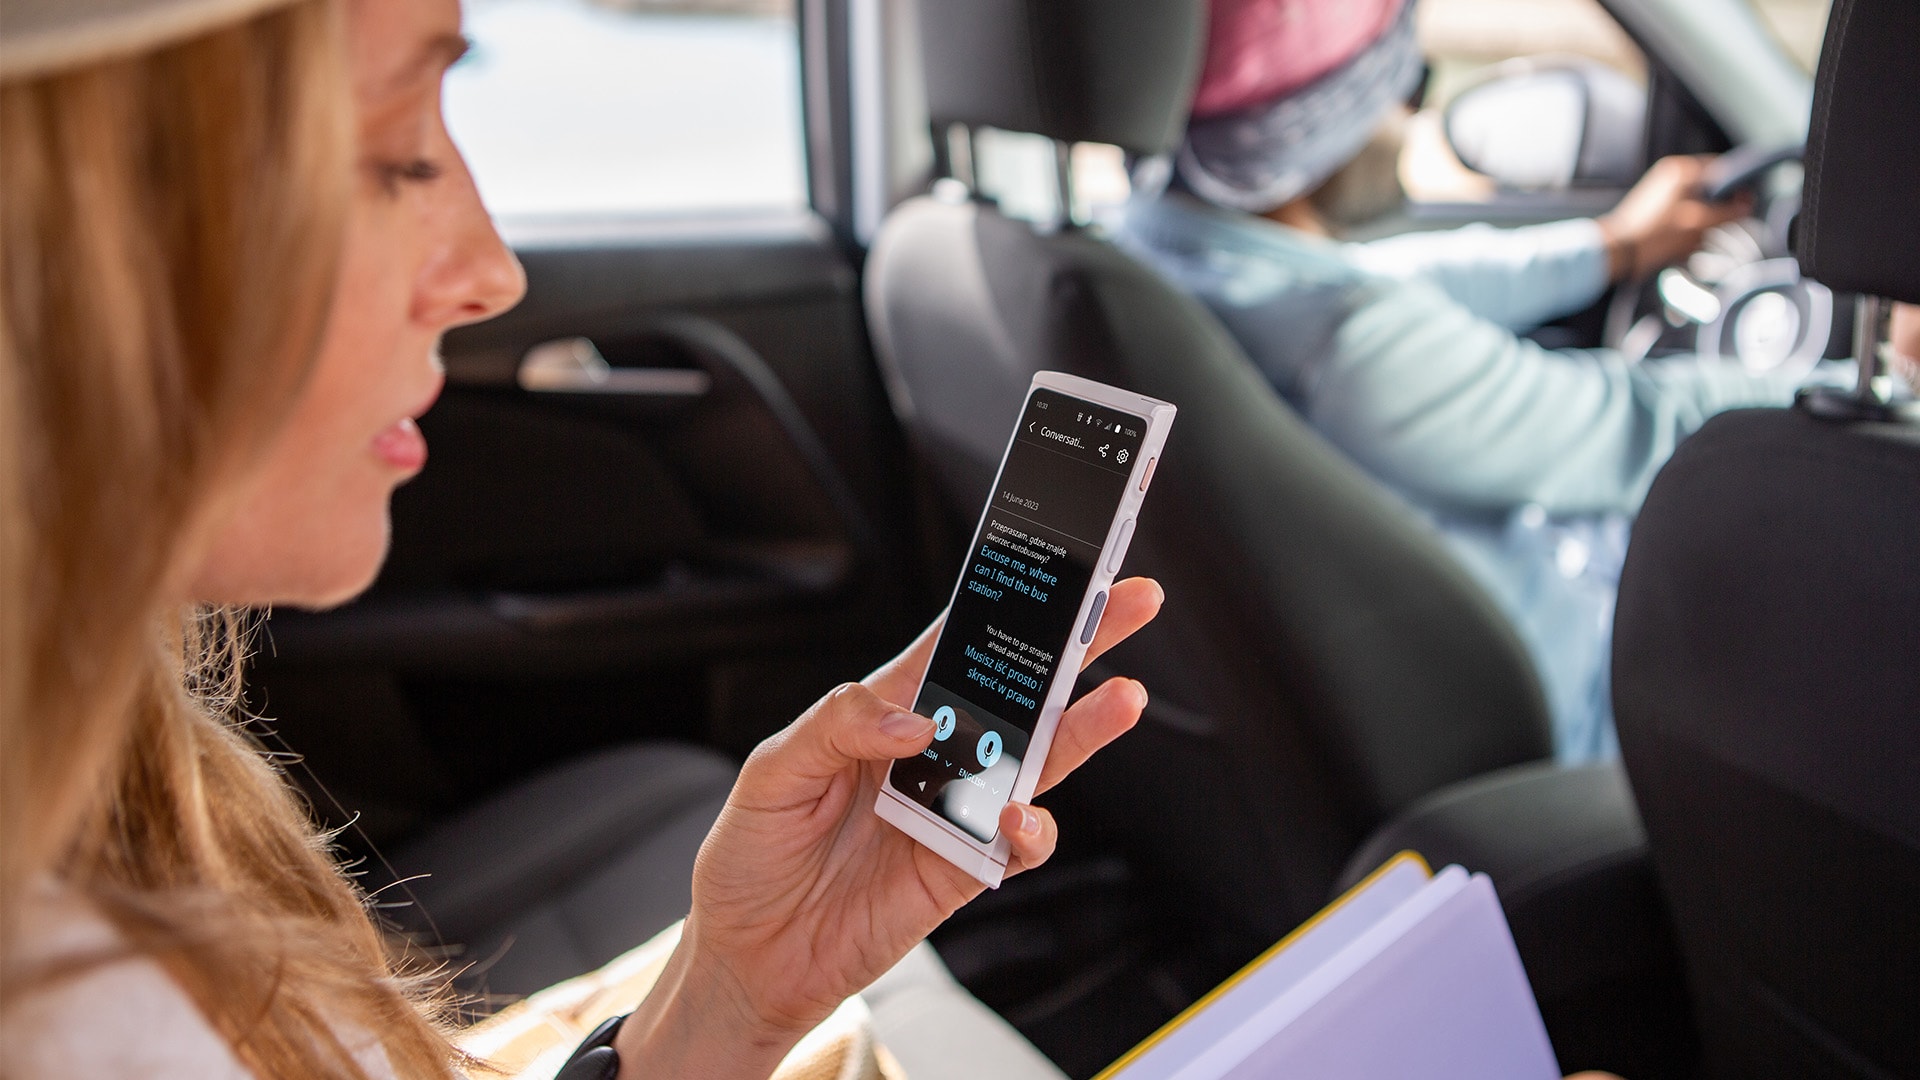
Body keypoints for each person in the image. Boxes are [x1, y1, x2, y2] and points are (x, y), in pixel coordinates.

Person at [0, 1, 1163, 1076]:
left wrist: (736, 991)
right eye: (402, 154)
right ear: (74, 232)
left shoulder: (114, 766)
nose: (493, 275)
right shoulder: (81, 1023)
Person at [1115, 0, 1817, 762]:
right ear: (1313, 129)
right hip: (1584, 719)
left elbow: (1375, 281)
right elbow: (1635, 429)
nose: (1414, 110)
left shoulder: (1152, 248)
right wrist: (1871, 379)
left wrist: (1608, 248)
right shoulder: (1350, 348)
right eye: (1406, 78)